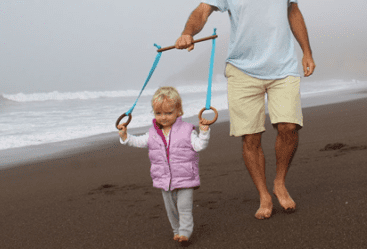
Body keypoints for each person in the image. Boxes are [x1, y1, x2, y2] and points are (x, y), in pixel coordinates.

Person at [175, 0, 316, 220]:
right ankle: (264, 196)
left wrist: (307, 52)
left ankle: (279, 182)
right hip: (242, 70)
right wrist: (187, 32)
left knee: (289, 127)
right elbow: (202, 11)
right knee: (251, 136)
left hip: (284, 67)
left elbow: (293, 11)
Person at [117, 86, 213, 244]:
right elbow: (139, 141)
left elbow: (199, 146)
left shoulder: (187, 130)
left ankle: (185, 232)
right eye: (158, 113)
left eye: (168, 113)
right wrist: (126, 136)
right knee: (171, 210)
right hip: (164, 179)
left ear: (178, 111)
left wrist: (204, 132)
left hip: (185, 177)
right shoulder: (152, 133)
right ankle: (176, 230)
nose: (163, 117)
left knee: (184, 208)